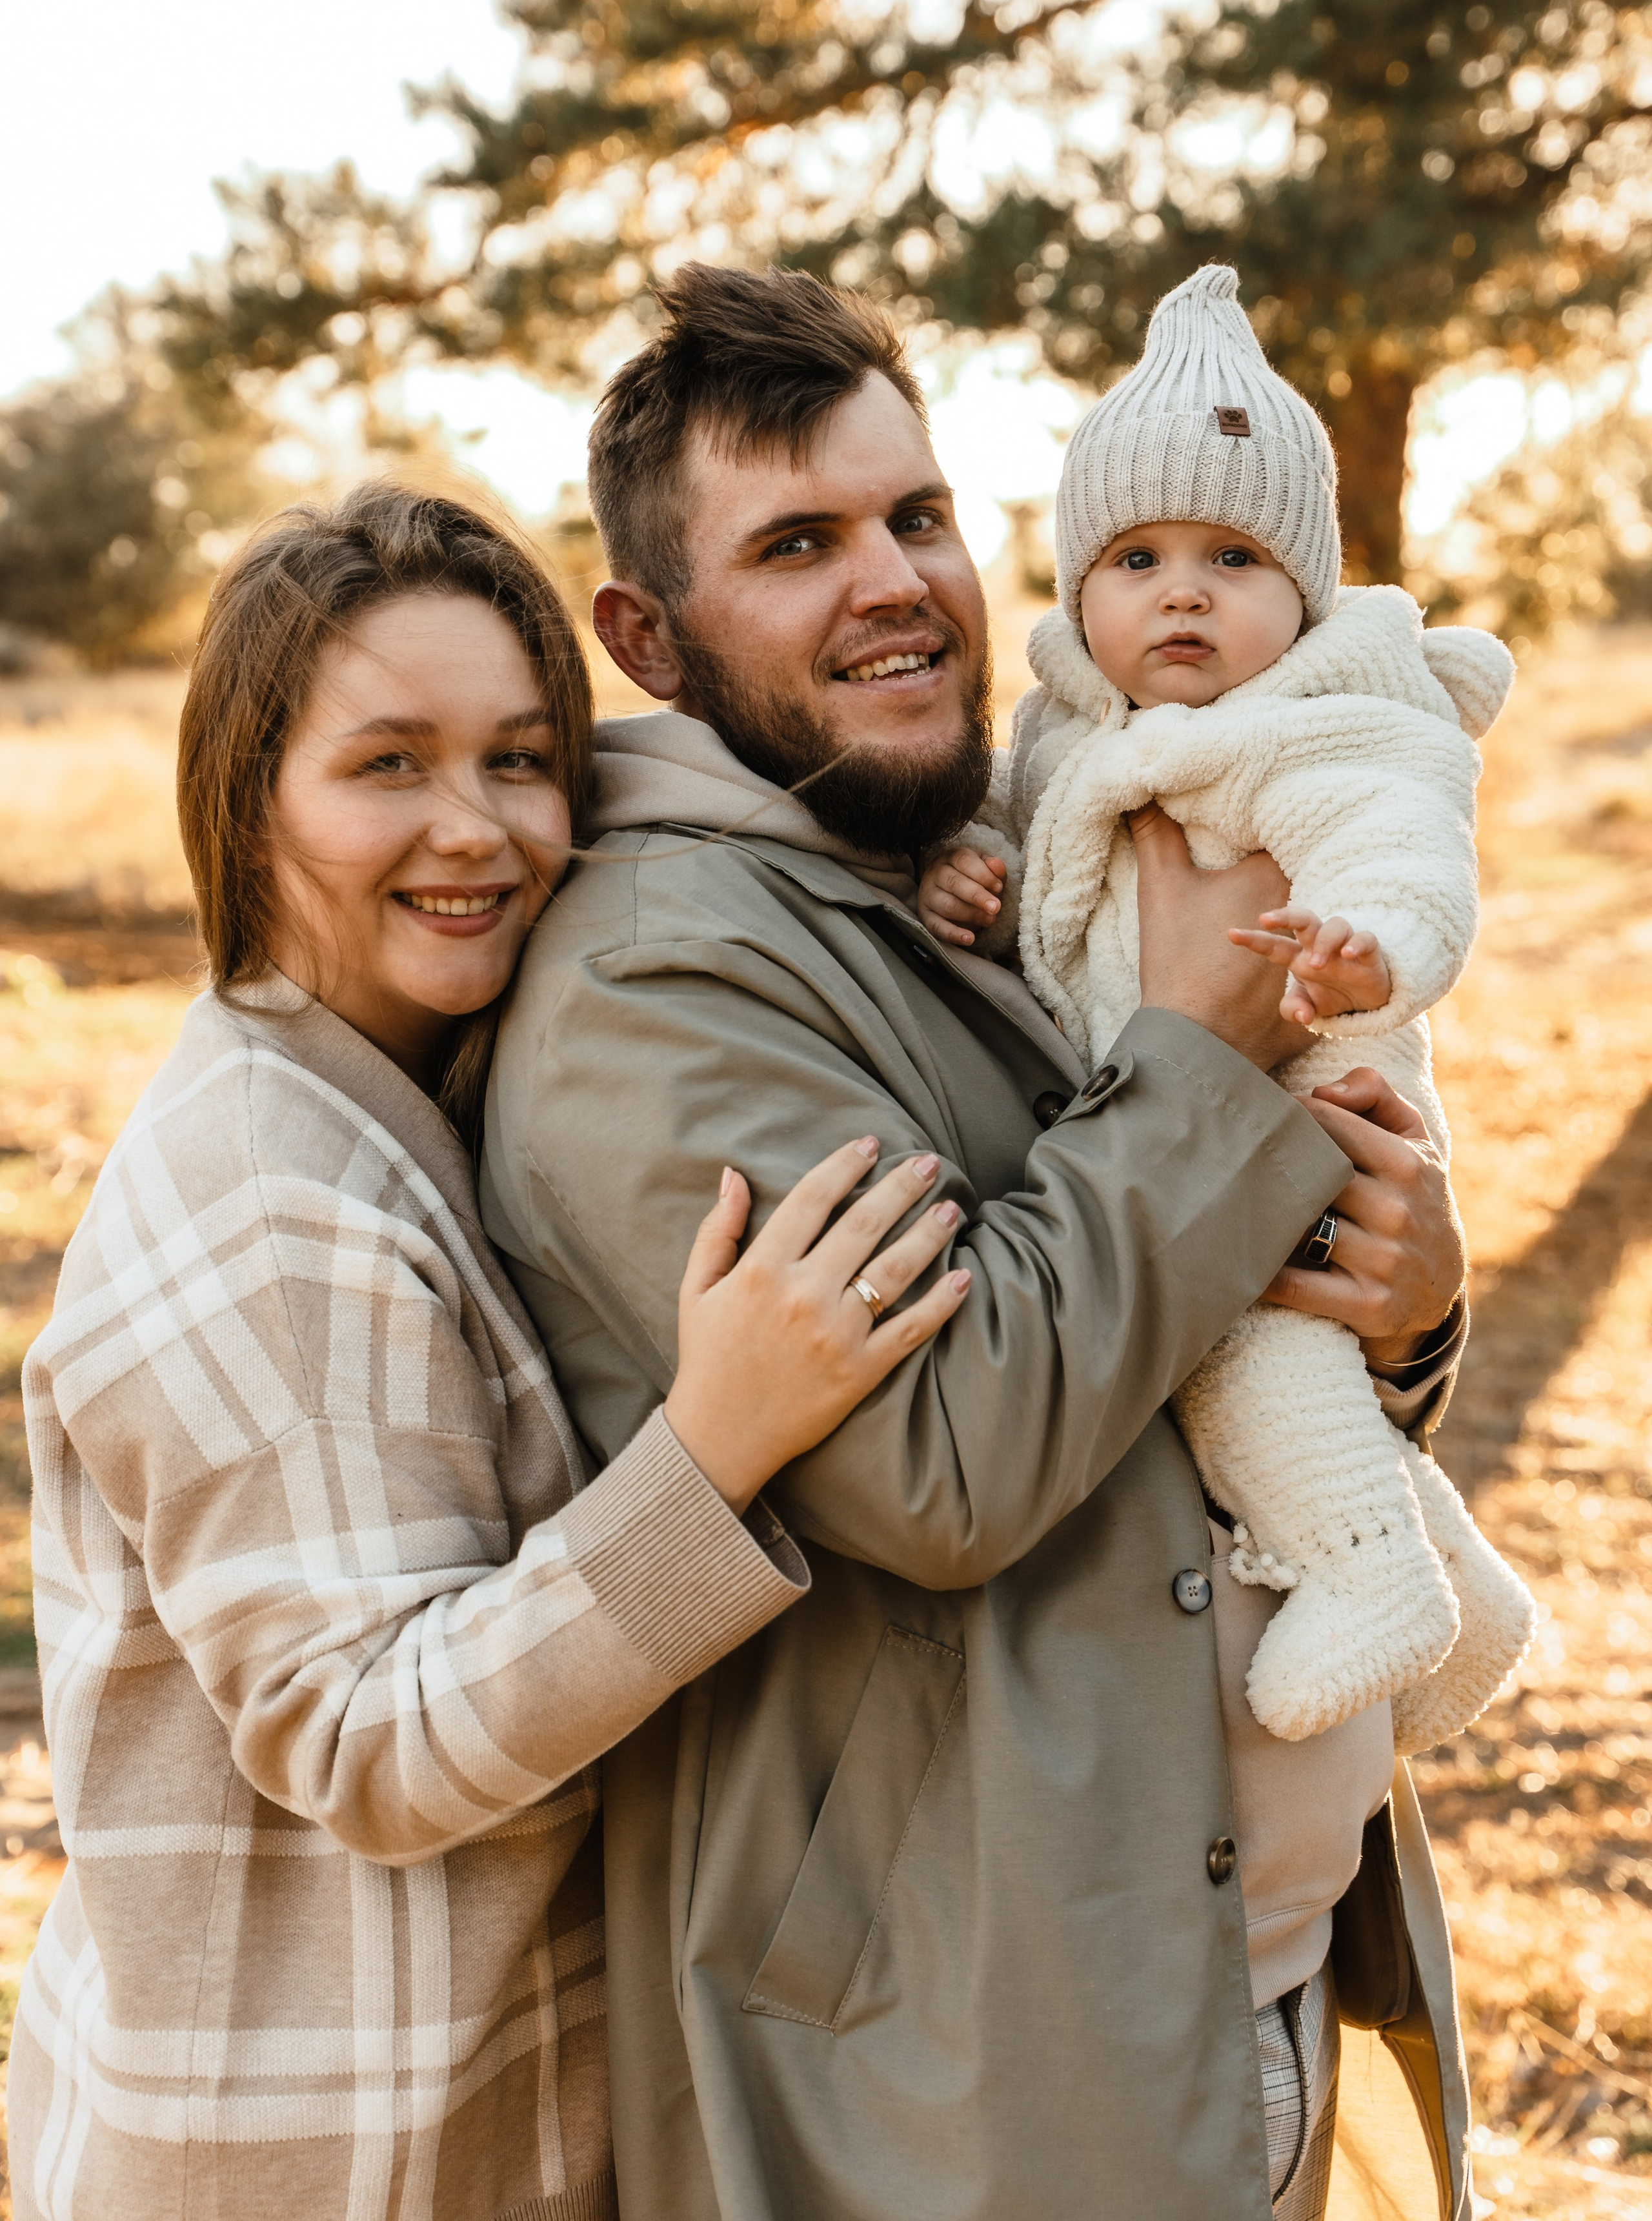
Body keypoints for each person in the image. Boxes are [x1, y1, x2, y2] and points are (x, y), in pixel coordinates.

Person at [480, 265, 1477, 2221]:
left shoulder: (959, 850)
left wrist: (1403, 1311)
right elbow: (944, 1458)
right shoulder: (656, 979)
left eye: (916, 515)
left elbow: (1171, 1318)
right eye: (796, 544)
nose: (897, 585)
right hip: (967, 2078)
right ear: (647, 638)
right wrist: (1198, 1049)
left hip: (1214, 1982)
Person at [9, 481, 965, 2221]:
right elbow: (367, 1741)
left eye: (521, 760)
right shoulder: (271, 1201)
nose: (476, 829)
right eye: (388, 765)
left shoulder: (396, 1078)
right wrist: (714, 1448)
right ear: (249, 799)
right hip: (313, 2173)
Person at [916, 263, 1533, 1765]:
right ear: (1078, 590)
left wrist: (1364, 944)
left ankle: (1371, 1574)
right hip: (1164, 1114)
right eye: (1134, 556)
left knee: (1242, 1347)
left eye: (1231, 557)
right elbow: (1024, 837)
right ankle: (1462, 1590)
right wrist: (963, 864)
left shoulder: (1322, 725)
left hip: (1303, 1097)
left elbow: (1400, 841)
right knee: (1253, 1358)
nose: (1180, 590)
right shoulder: (1063, 728)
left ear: (1303, 595)